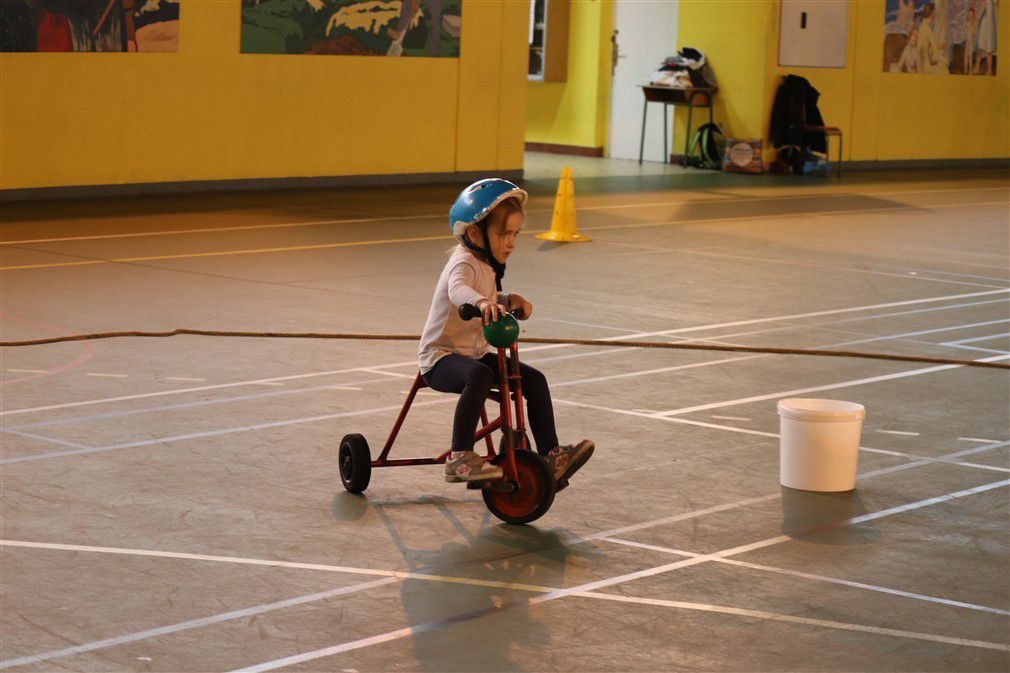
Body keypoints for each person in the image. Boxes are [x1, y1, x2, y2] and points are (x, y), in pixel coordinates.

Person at [418, 179, 594, 484]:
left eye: (515, 234)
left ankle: (550, 455)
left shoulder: (488, 264)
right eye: (503, 233)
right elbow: (459, 290)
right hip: (440, 359)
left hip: (473, 354)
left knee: (534, 381)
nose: (511, 242)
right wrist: (484, 302)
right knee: (479, 376)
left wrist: (507, 299)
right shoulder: (463, 262)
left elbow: (488, 296)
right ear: (475, 233)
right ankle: (459, 457)